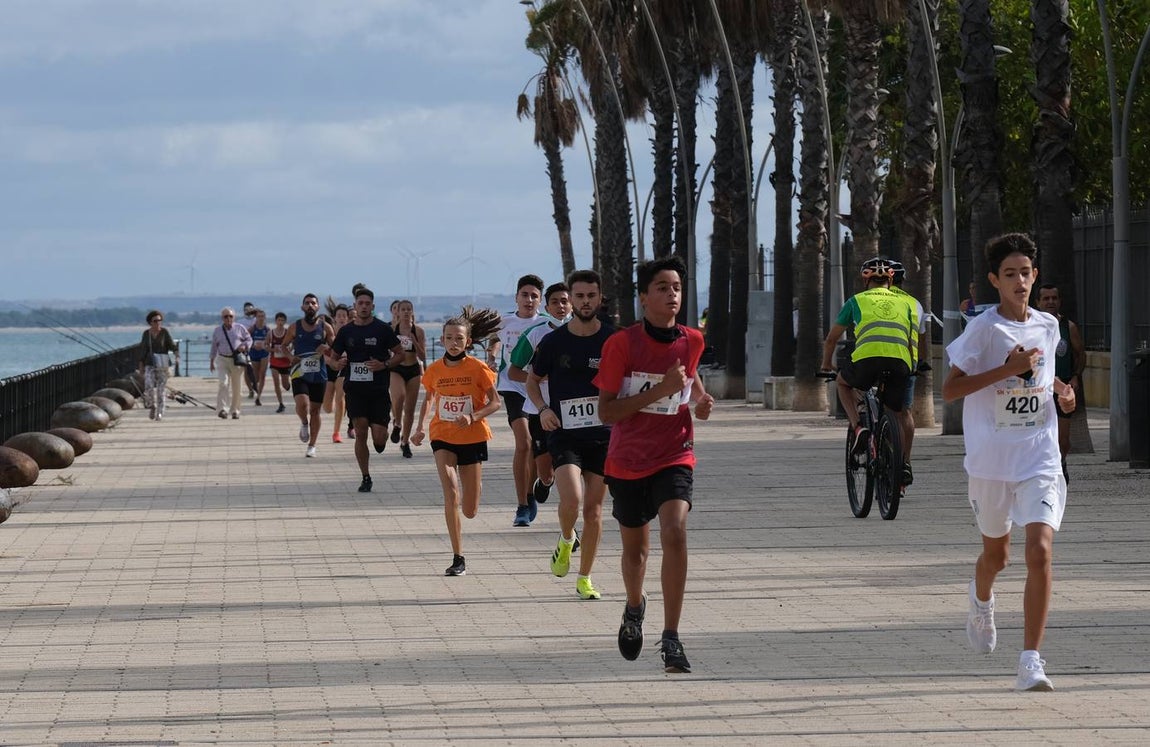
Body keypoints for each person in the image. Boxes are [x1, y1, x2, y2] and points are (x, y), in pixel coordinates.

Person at [942, 232, 1076, 692]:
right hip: (990, 463)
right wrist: (1006, 370)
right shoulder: (983, 330)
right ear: (994, 281)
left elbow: (1044, 372)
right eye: (1010, 274)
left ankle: (1030, 661)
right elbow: (950, 390)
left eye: (1025, 273)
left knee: (1039, 551)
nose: (1020, 281)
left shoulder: (1048, 324)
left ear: (1035, 276)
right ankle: (981, 600)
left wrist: (1062, 393)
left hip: (1039, 457)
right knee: (996, 557)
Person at [594, 255, 713, 674]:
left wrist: (700, 400)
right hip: (627, 459)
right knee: (637, 553)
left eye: (676, 287)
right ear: (644, 297)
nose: (672, 294)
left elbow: (689, 380)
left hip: (675, 452)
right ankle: (633, 606)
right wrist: (660, 390)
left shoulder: (693, 340)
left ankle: (672, 636)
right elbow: (607, 412)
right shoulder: (621, 345)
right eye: (662, 288)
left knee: (675, 532)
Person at [527, 271, 613, 600]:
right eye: (579, 296)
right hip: (564, 433)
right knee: (572, 500)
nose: (585, 301)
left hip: (603, 435)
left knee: (594, 510)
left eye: (591, 295)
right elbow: (532, 380)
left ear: (599, 298)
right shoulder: (554, 341)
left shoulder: (613, 339)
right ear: (572, 300)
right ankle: (566, 539)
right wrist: (543, 409)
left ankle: (585, 577)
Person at [412, 310, 502, 576]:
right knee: (451, 492)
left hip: (473, 436)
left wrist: (473, 416)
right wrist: (419, 428)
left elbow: (495, 403)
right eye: (449, 338)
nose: (454, 343)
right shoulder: (434, 370)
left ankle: (474, 490)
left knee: (470, 509)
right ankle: (458, 557)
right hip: (442, 435)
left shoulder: (478, 368)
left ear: (468, 341)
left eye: (459, 338)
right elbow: (429, 399)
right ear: (441, 340)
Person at [819, 258, 917, 473]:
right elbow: (910, 340)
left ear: (866, 281)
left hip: (867, 360)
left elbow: (831, 339)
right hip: (901, 361)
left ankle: (858, 427)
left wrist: (826, 364)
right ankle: (903, 464)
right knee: (897, 412)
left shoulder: (856, 301)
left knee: (843, 383)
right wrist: (912, 366)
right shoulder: (905, 303)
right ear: (890, 281)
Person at [331, 287, 404, 493]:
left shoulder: (382, 329)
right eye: (360, 303)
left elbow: (400, 354)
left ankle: (383, 434)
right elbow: (332, 359)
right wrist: (337, 364)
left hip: (378, 390)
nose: (363, 306)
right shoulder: (346, 331)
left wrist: (384, 364)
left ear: (372, 306)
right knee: (361, 431)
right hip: (355, 390)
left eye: (367, 304)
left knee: (379, 440)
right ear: (355, 306)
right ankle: (365, 477)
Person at [488, 274, 547, 527]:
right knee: (523, 443)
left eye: (534, 296)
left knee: (537, 448)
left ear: (541, 301)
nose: (529, 300)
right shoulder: (505, 321)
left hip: (539, 390)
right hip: (511, 386)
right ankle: (522, 505)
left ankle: (534, 490)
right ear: (516, 298)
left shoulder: (547, 324)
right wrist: (492, 355)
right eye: (525, 295)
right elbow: (493, 339)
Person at [508, 282, 573, 509]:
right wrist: (538, 378)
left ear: (572, 305)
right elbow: (513, 371)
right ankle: (546, 481)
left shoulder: (584, 333)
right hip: (539, 410)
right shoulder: (535, 334)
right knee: (545, 471)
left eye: (565, 301)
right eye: (555, 302)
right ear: (547, 307)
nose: (560, 306)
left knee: (571, 467)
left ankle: (570, 511)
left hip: (571, 411)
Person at [888, 260, 932, 486]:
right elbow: (921, 337)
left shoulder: (872, 299)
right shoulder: (914, 303)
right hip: (907, 364)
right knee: (904, 411)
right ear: (902, 281)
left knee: (882, 409)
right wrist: (920, 361)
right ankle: (905, 461)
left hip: (876, 361)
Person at [1037, 283, 1085, 479]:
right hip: (1039, 388)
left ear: (1059, 301)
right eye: (1046, 298)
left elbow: (1080, 354)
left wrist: (1075, 376)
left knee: (1063, 440)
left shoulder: (1068, 327)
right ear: (1038, 302)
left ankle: (1061, 463)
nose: (1050, 302)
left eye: (1054, 298)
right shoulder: (1032, 327)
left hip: (1062, 387)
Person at [283, 294, 335, 457]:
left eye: (313, 303)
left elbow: (336, 349)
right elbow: (283, 346)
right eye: (307, 303)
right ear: (302, 307)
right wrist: (291, 357)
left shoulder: (326, 327)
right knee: (302, 405)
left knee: (315, 411)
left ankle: (312, 445)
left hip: (319, 374)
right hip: (299, 371)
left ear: (318, 307)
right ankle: (304, 423)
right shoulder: (294, 327)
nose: (310, 305)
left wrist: (326, 348)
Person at [389, 299, 428, 458]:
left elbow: (423, 356)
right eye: (403, 309)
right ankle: (397, 423)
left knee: (410, 410)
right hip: (396, 368)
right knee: (399, 396)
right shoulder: (392, 329)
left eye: (408, 309)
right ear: (397, 312)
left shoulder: (418, 331)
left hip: (413, 369)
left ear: (412, 312)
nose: (406, 312)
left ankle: (405, 442)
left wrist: (414, 341)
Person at [209, 307, 253, 419]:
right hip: (222, 359)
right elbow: (214, 346)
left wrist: (244, 346)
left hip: (236, 360)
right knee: (223, 383)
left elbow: (249, 339)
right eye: (226, 316)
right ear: (222, 318)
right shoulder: (217, 330)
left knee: (237, 387)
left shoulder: (240, 328)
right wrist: (211, 361)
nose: (228, 318)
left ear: (234, 317)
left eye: (230, 316)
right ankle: (222, 409)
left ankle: (235, 410)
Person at [138, 310, 179, 421]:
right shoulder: (146, 334)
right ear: (150, 322)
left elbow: (172, 345)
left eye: (159, 320)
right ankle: (152, 406)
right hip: (150, 364)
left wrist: (177, 355)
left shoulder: (164, 332)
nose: (158, 323)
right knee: (148, 387)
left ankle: (160, 412)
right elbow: (143, 350)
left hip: (162, 365)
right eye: (155, 321)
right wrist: (141, 366)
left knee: (161, 390)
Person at [324, 304, 351, 443]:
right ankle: (333, 403)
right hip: (328, 369)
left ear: (347, 318)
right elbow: (319, 353)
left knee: (340, 398)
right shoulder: (328, 333)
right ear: (334, 318)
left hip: (343, 368)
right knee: (327, 408)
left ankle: (336, 432)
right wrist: (330, 361)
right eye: (339, 316)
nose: (341, 318)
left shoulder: (350, 333)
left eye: (344, 316)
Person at [268, 312, 292, 413]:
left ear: (285, 321)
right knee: (276, 382)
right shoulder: (271, 333)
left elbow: (293, 343)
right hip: (274, 362)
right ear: (276, 321)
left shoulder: (288, 333)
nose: (280, 322)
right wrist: (273, 350)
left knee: (285, 385)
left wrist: (289, 349)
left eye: (282, 320)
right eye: (279, 320)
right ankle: (281, 404)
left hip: (285, 362)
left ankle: (288, 386)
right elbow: (265, 346)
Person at [248, 309, 271, 407]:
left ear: (265, 318)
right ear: (256, 318)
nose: (261, 318)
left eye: (262, 316)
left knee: (263, 374)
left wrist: (266, 346)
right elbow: (246, 340)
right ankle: (254, 386)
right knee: (256, 376)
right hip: (254, 353)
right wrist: (253, 345)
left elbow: (270, 342)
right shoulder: (252, 329)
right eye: (259, 316)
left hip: (264, 353)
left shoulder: (267, 330)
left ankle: (258, 397)